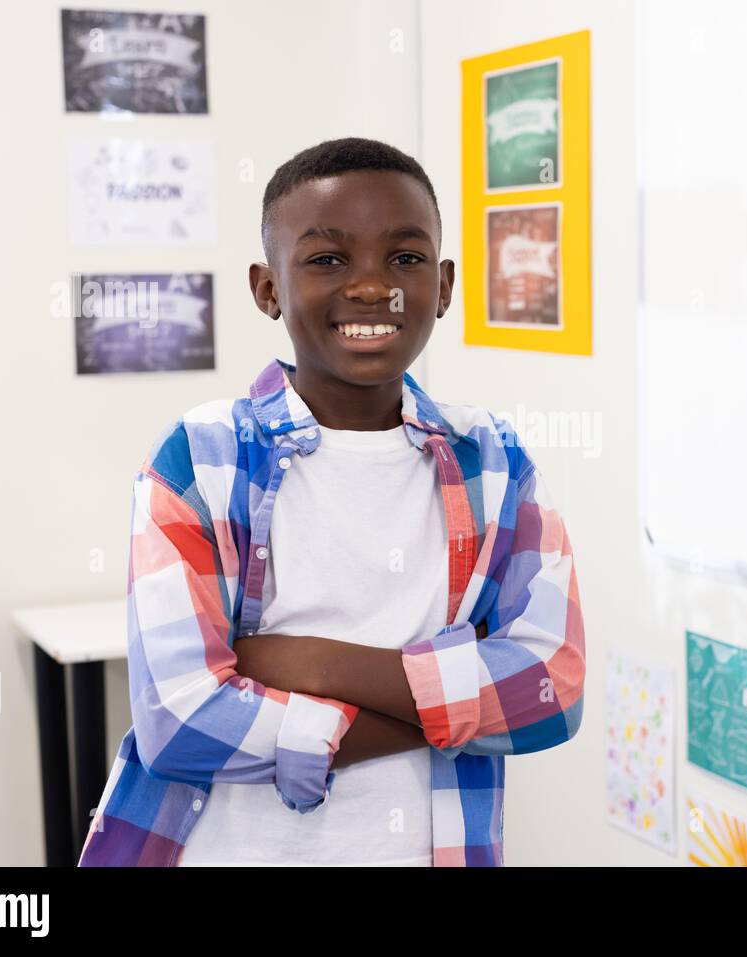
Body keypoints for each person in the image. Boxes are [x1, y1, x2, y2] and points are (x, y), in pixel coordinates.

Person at [77, 137, 585, 866]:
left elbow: (552, 686)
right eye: (327, 259)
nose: (373, 286)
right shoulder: (199, 456)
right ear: (267, 288)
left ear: (444, 286)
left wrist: (308, 662)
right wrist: (450, 703)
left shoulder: (495, 459)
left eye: (405, 258)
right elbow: (179, 720)